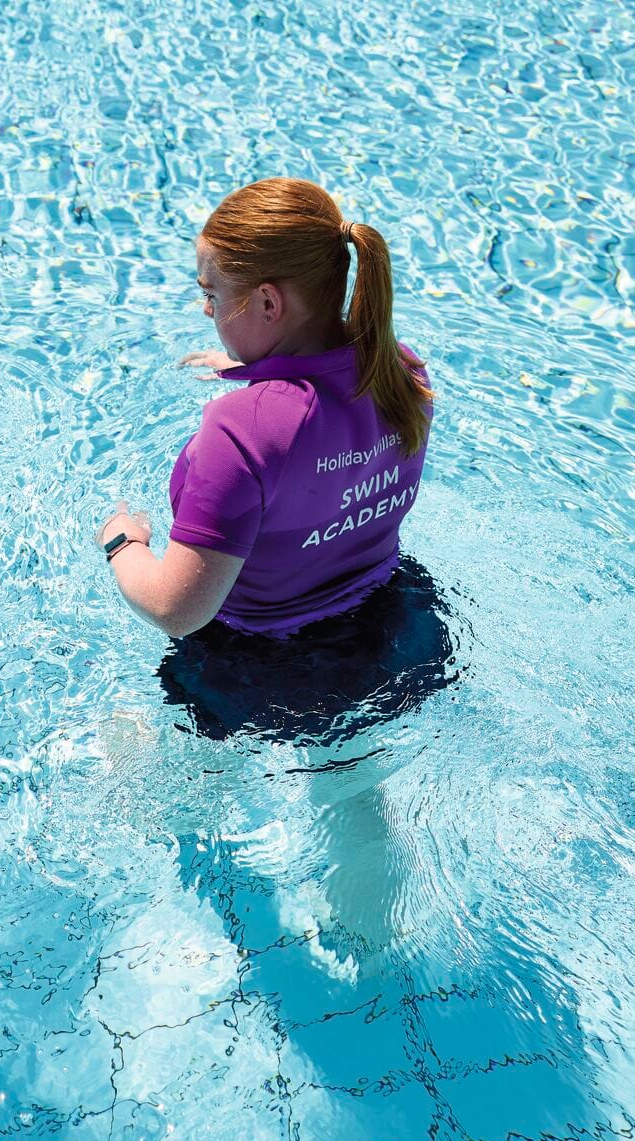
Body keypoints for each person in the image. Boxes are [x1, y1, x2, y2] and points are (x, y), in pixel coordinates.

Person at [96, 178, 451, 741]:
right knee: (353, 796)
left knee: (156, 786)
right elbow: (322, 425)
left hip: (259, 666)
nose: (206, 308)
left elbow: (177, 609)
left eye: (212, 295)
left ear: (267, 303)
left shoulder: (239, 431)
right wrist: (259, 372)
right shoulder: (402, 373)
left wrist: (123, 543)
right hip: (390, 632)